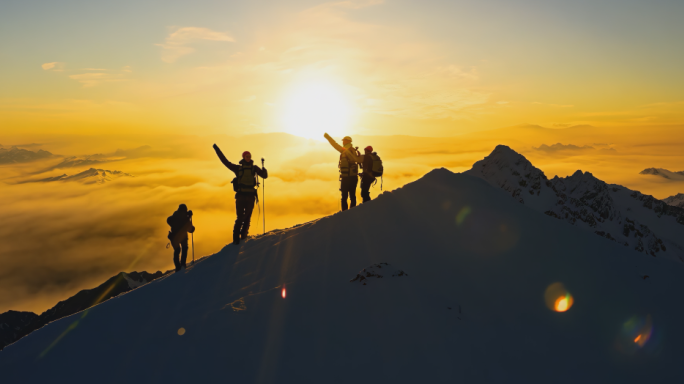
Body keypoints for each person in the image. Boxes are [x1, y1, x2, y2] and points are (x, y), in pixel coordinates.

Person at [213, 144, 268, 245]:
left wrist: (264, 171)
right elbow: (264, 176)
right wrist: (217, 149)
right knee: (245, 217)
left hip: (242, 196)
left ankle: (238, 238)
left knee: (242, 217)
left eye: (249, 156)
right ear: (244, 157)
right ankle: (242, 236)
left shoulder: (239, 168)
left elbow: (225, 162)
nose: (249, 158)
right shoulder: (253, 168)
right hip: (249, 196)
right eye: (247, 156)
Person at [324, 133, 361, 211]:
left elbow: (335, 145)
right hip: (353, 177)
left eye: (344, 140)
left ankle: (345, 213)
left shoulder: (345, 150)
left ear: (348, 141)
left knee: (344, 196)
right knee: (352, 196)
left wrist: (328, 137)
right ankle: (352, 212)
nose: (343, 142)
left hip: (346, 177)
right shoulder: (353, 150)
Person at [167, 204, 195, 272]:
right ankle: (182, 265)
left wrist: (187, 216)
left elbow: (168, 220)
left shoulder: (175, 215)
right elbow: (190, 230)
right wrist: (189, 217)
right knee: (184, 249)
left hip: (174, 237)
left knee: (177, 250)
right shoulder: (185, 219)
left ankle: (178, 267)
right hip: (182, 237)